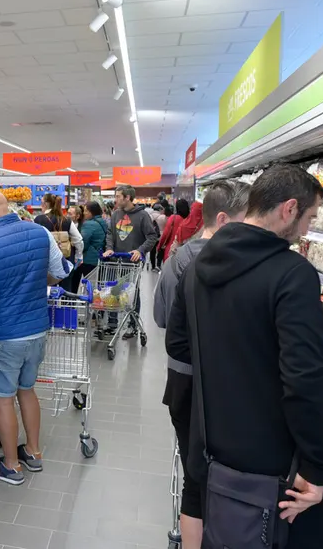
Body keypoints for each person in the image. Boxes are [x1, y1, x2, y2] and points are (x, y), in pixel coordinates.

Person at [165, 164, 323, 548]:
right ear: (289, 209)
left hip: (212, 442)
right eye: (309, 217)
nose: (308, 229)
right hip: (271, 457)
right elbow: (303, 378)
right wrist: (315, 465)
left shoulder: (195, 267)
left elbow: (178, 345)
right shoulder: (294, 274)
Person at [153, 180, 251, 549]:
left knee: (196, 471)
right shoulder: (242, 262)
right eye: (247, 219)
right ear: (224, 219)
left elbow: (162, 317)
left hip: (183, 380)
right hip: (226, 385)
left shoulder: (179, 259)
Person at [0, 188, 70, 486]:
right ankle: (34, 452)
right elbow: (60, 271)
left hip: (4, 334)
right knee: (27, 389)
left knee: (2, 399)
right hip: (37, 328)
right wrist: (35, 286)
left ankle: (10, 465)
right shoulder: (40, 233)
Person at [103, 185, 159, 338]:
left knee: (132, 293)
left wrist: (140, 250)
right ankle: (112, 324)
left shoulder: (142, 216)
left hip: (132, 263)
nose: (115, 199)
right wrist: (109, 248)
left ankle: (132, 325)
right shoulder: (115, 215)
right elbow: (110, 233)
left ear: (127, 197)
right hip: (115, 260)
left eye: (118, 196)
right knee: (113, 291)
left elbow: (152, 237)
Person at [34, 193, 83, 286]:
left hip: (46, 261)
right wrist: (78, 256)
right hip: (66, 260)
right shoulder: (67, 220)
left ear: (45, 204)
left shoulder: (38, 220)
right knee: (66, 289)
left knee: (48, 290)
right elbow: (78, 239)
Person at [70, 201, 108, 293]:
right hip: (98, 257)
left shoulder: (89, 224)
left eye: (86, 211)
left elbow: (83, 243)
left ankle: (78, 301)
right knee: (94, 284)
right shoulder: (103, 221)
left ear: (91, 212)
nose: (84, 213)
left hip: (88, 259)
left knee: (76, 281)